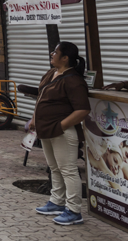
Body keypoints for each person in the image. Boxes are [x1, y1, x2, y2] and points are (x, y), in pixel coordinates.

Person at [27, 41, 91, 226]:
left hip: (62, 133)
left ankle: (73, 210)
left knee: (68, 170)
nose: (51, 54)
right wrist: (34, 119)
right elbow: (41, 99)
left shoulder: (73, 80)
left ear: (65, 58)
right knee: (54, 167)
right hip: (45, 130)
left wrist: (61, 126)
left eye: (55, 52)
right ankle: (56, 202)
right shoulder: (51, 74)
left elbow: (82, 110)